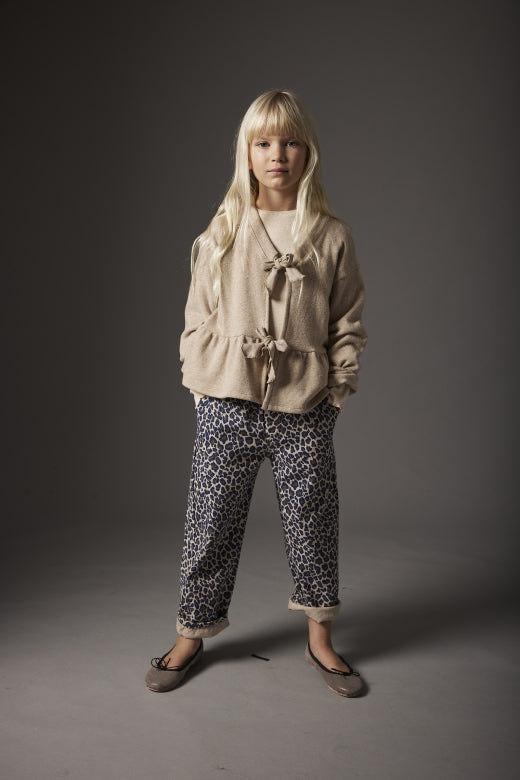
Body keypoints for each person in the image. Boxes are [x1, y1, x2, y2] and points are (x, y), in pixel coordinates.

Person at [145, 89, 367, 697]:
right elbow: (197, 316)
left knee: (314, 523)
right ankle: (191, 632)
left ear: (308, 153)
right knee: (210, 523)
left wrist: (336, 391)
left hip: (305, 409)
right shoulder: (223, 230)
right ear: (246, 152)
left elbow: (347, 320)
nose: (277, 155)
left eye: (291, 142)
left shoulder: (330, 236)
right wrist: (204, 390)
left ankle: (321, 638)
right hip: (227, 405)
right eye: (264, 142)